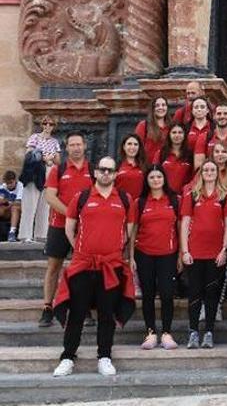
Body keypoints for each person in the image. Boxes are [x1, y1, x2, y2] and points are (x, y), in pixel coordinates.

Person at [52, 156, 135, 377]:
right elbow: (70, 229)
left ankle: (104, 357)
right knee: (77, 313)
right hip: (84, 264)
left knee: (107, 314)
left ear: (116, 174)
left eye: (110, 170)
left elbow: (129, 231)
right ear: (95, 173)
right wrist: (82, 249)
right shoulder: (82, 197)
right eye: (102, 169)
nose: (106, 173)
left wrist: (113, 248)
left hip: (111, 264)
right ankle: (68, 357)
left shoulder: (125, 199)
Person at [179, 160, 227, 349]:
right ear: (201, 173)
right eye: (206, 170)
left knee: (212, 293)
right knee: (195, 293)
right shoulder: (192, 195)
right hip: (195, 252)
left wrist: (224, 249)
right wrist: (185, 250)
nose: (209, 172)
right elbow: (185, 223)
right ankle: (193, 331)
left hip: (215, 253)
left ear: (217, 173)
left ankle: (209, 332)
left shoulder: (225, 196)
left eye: (212, 170)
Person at [40, 132, 94, 328]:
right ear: (67, 148)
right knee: (54, 267)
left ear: (85, 146)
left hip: (85, 229)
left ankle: (84, 307)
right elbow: (50, 197)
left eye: (79, 144)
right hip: (59, 226)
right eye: (72, 145)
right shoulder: (58, 170)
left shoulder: (94, 170)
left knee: (84, 269)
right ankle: (48, 307)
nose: (76, 148)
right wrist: (72, 215)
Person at [129, 165, 180, 349]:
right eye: (152, 177)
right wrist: (131, 256)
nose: (156, 180)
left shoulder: (174, 200)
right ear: (147, 181)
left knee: (167, 294)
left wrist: (181, 254)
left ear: (164, 179)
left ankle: (166, 333)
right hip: (144, 254)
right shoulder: (140, 202)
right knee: (148, 295)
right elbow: (133, 230)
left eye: (159, 176)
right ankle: (150, 332)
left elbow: (180, 228)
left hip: (168, 254)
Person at [20, 116, 60, 243]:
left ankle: (41, 234)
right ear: (42, 125)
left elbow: (58, 160)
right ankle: (25, 234)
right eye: (45, 123)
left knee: (45, 204)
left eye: (51, 124)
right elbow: (29, 153)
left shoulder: (55, 141)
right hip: (36, 171)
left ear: (54, 126)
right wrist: (44, 158)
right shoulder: (34, 137)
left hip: (49, 171)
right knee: (30, 202)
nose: (48, 126)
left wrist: (51, 158)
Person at [194, 104, 227, 176]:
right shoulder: (204, 137)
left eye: (225, 114)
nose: (222, 116)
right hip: (211, 181)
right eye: (219, 114)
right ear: (214, 116)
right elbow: (198, 166)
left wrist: (211, 161)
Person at [154, 122, 194, 195]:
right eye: (174, 132)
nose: (177, 135)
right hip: (165, 196)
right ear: (169, 135)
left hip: (184, 196)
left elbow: (193, 176)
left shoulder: (190, 155)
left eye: (180, 132)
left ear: (184, 135)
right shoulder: (161, 153)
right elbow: (154, 174)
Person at [135, 97, 170, 164]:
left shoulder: (171, 127)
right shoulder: (143, 126)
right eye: (157, 105)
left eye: (163, 105)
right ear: (153, 108)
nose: (161, 108)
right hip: (148, 167)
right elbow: (137, 147)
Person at [115, 134, 146, 200]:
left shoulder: (145, 167)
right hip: (121, 204)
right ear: (124, 147)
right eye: (129, 144)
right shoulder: (116, 166)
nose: (132, 147)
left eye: (135, 144)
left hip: (139, 206)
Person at [0, 171, 22, 242]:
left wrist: (7, 202)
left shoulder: (20, 186)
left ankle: (12, 233)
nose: (9, 185)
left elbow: (18, 202)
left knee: (14, 208)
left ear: (15, 180)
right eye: (7, 183)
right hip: (7, 210)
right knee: (1, 210)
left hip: (19, 210)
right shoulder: (3, 186)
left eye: (11, 182)